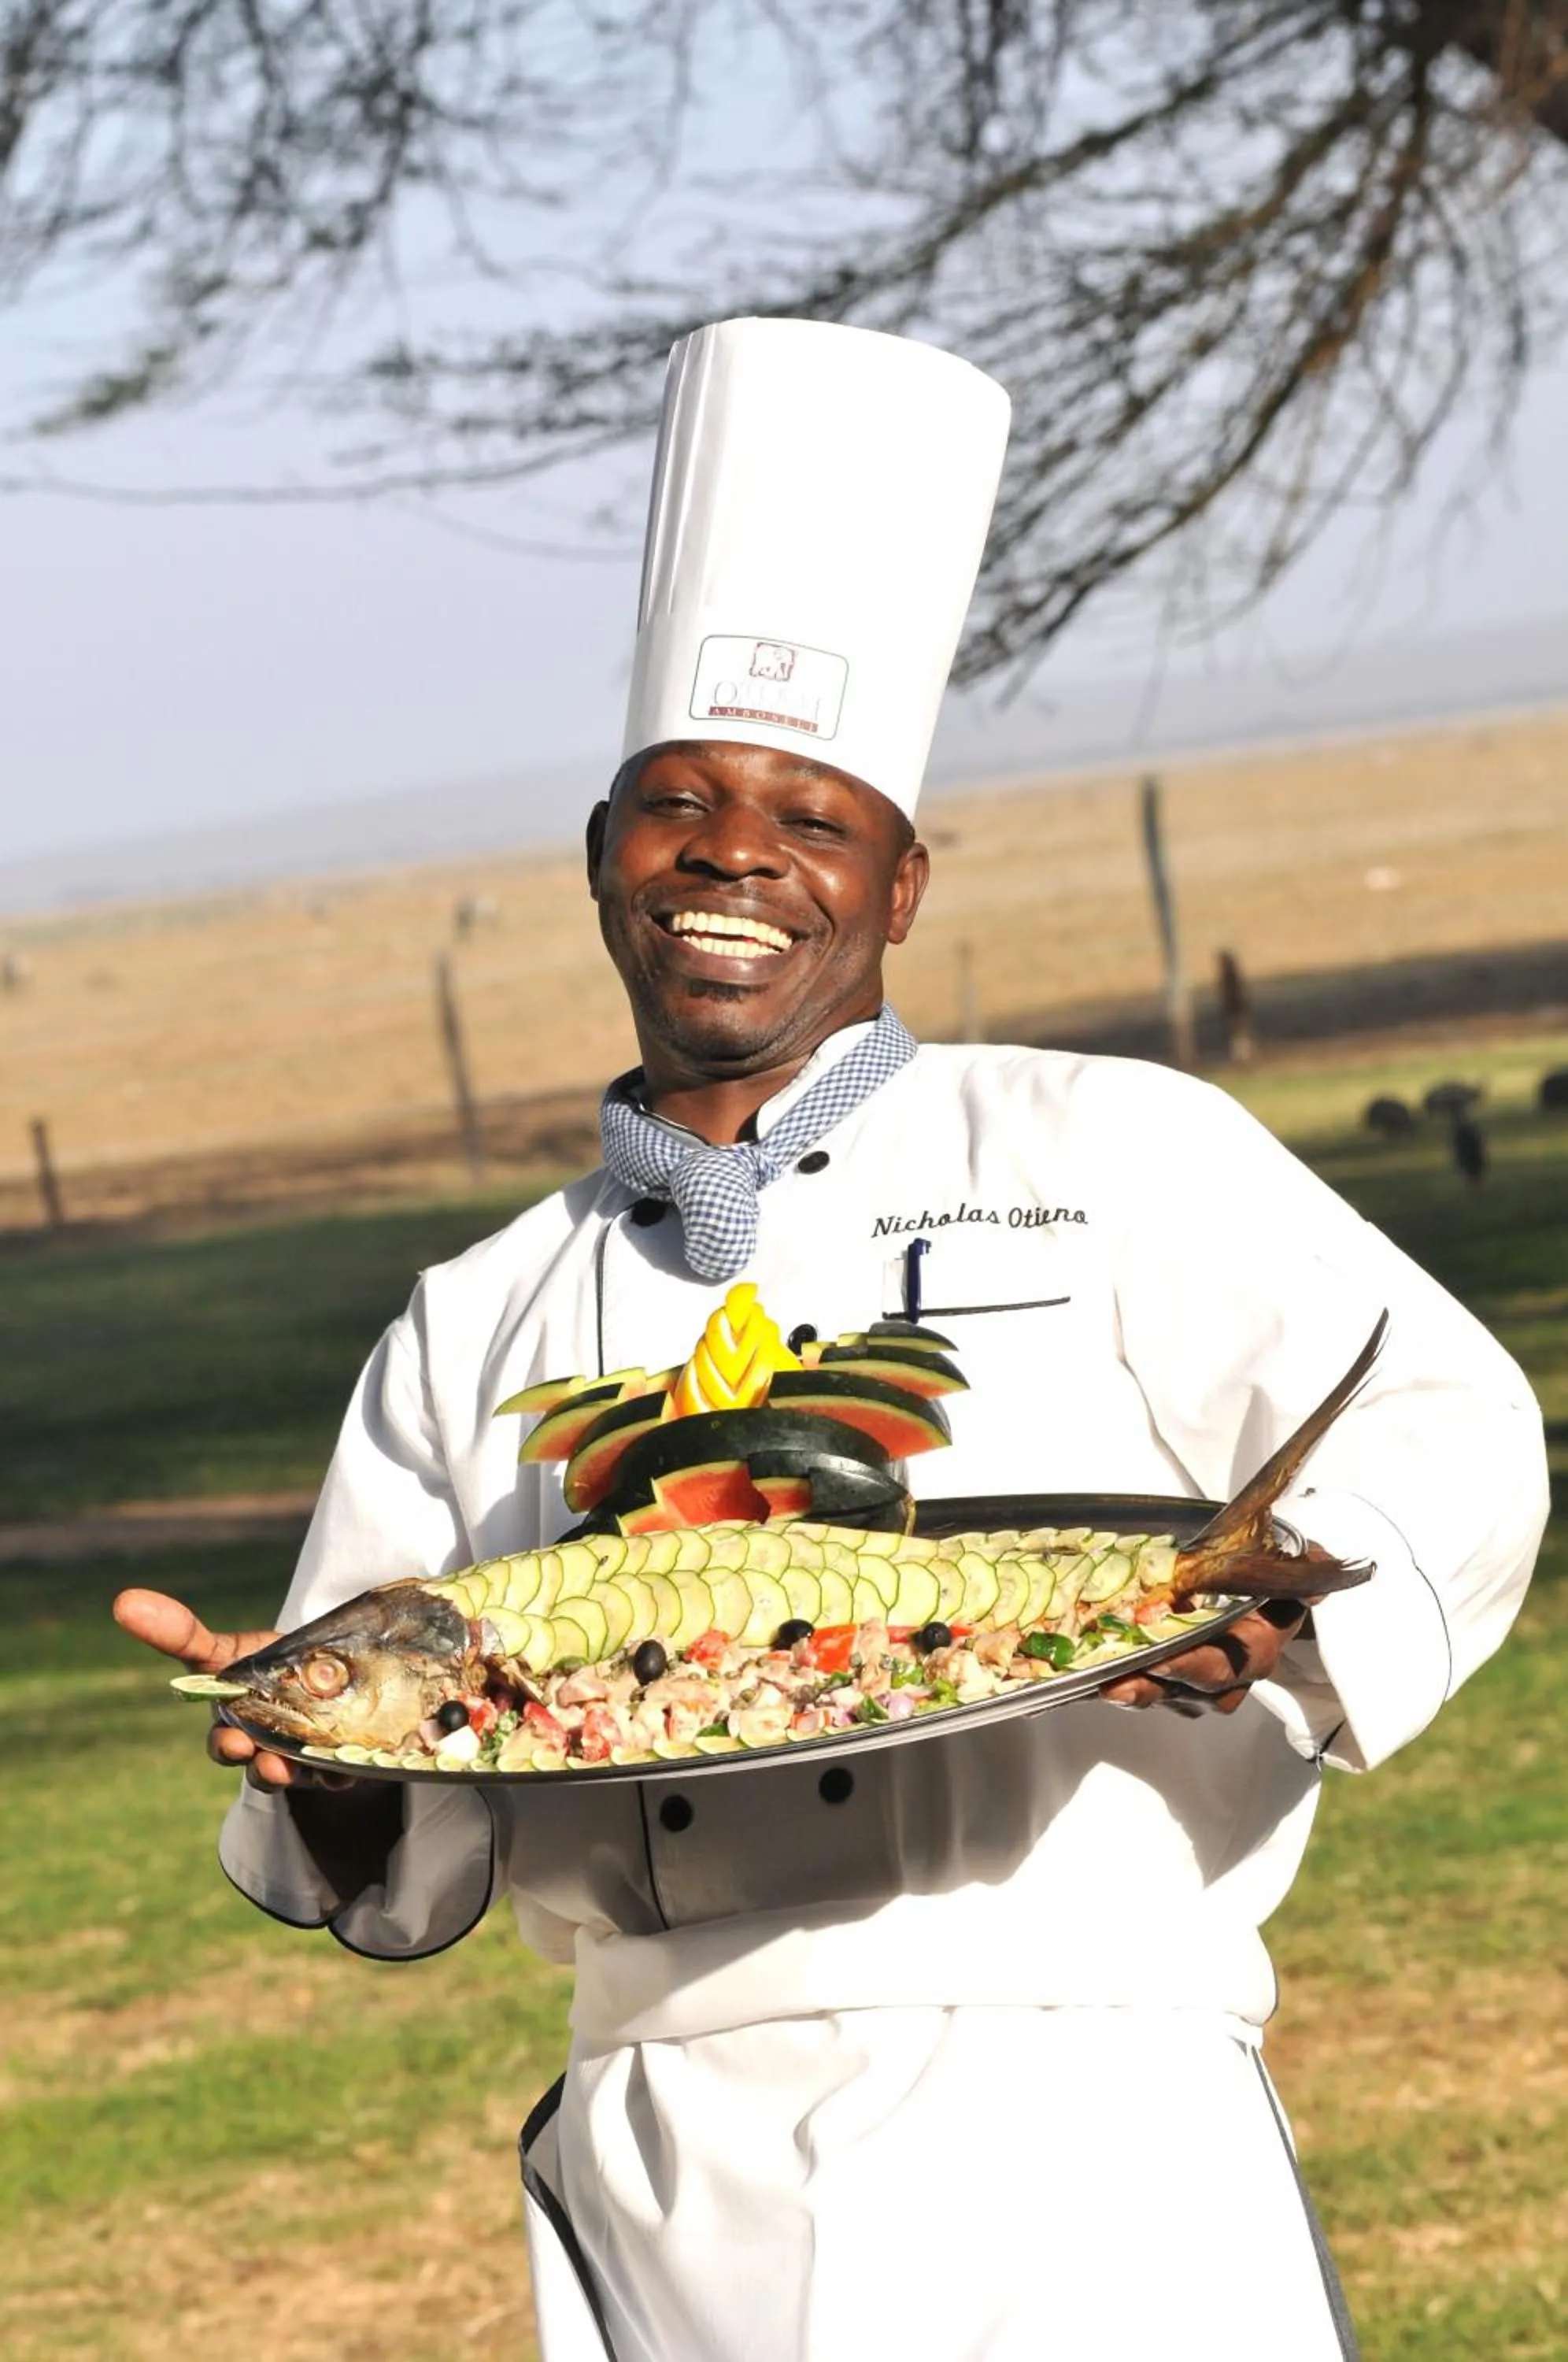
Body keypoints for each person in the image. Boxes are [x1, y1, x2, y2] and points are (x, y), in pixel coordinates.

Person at [118, 319, 1548, 2362]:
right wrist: (307, 1743)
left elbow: (1453, 1415)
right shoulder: (467, 1321)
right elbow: (390, 1830)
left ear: (898, 883)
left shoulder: (1113, 1148)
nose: (731, 855)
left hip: (1093, 2120)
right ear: (600, 854)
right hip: (676, 2157)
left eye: (808, 814)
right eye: (679, 802)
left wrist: (1298, 1607)